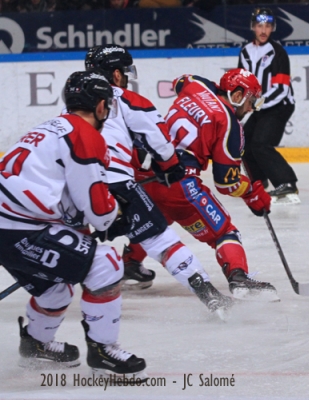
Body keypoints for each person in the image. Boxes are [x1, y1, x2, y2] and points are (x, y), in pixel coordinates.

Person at [0, 71, 145, 374]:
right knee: (105, 264)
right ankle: (104, 351)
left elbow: (62, 199)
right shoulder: (84, 134)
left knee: (56, 289)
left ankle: (36, 345)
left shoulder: (52, 127)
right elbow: (98, 211)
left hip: (13, 223)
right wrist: (114, 213)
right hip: (20, 227)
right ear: (101, 106)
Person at [84, 45, 233, 316]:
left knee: (65, 239)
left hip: (74, 184)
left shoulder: (71, 104)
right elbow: (161, 143)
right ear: (116, 75)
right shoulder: (128, 99)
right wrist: (170, 166)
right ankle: (208, 294)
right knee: (159, 238)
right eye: (125, 72)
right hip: (116, 182)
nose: (127, 77)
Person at [134, 69, 277, 300]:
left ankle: (129, 265)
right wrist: (252, 192)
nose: (250, 108)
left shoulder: (195, 85)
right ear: (238, 95)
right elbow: (226, 182)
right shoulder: (230, 126)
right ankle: (238, 277)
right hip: (179, 184)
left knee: (156, 223)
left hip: (144, 177)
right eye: (250, 101)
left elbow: (179, 80)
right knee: (224, 231)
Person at [237, 7, 300, 205]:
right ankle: (258, 182)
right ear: (253, 27)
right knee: (243, 143)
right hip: (260, 105)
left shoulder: (278, 53)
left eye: (267, 26)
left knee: (261, 144)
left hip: (280, 105)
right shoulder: (245, 52)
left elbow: (281, 89)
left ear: (272, 28)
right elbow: (243, 83)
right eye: (259, 26)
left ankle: (287, 183)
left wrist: (255, 105)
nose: (263, 30)